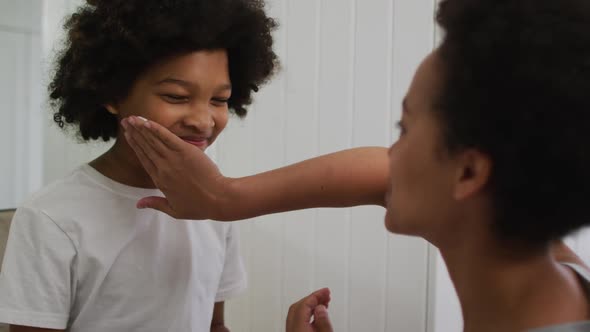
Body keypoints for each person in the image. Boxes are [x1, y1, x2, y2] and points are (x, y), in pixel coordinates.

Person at [123, 0, 590, 330]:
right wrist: (226, 197)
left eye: (403, 131)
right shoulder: (562, 272)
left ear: (468, 173)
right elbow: (376, 176)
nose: (389, 155)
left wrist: (223, 198)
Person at [0, 0, 277, 331]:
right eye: (176, 96)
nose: (203, 121)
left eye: (219, 100)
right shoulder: (51, 217)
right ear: (113, 95)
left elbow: (214, 326)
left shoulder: (216, 206)